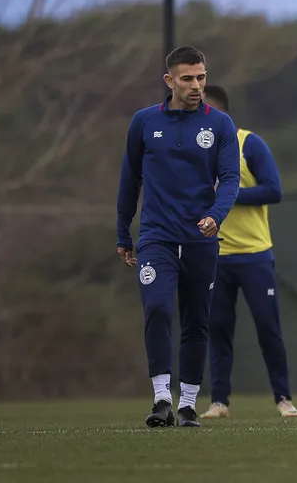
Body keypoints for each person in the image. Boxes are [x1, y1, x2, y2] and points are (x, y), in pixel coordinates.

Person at [116, 46, 240, 428]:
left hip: (202, 240)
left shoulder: (220, 125)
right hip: (157, 238)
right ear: (170, 81)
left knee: (196, 321)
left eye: (201, 77)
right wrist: (123, 231)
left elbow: (231, 180)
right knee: (157, 308)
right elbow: (129, 179)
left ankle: (187, 405)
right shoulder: (143, 122)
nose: (196, 85)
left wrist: (215, 217)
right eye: (187, 78)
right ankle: (161, 400)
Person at [198, 84, 297, 419]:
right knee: (218, 329)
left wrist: (227, 194)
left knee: (268, 327)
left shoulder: (248, 144)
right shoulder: (195, 151)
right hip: (215, 256)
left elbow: (274, 190)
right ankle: (219, 401)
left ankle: (283, 398)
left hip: (254, 254)